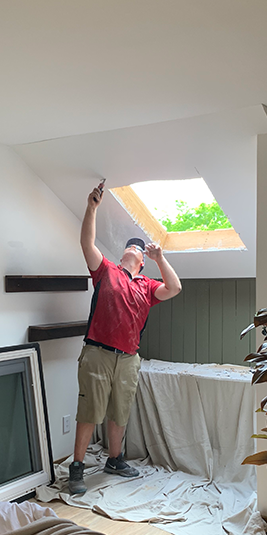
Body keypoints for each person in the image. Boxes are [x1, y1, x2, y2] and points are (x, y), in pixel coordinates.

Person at [68, 184, 182, 495]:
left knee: (120, 411)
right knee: (90, 410)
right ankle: (76, 468)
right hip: (98, 353)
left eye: (138, 248)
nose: (133, 247)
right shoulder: (106, 271)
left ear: (143, 261)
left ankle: (114, 460)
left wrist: (159, 258)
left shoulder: (147, 285)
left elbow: (174, 288)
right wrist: (92, 207)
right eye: (129, 246)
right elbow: (86, 242)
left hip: (129, 358)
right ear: (121, 254)